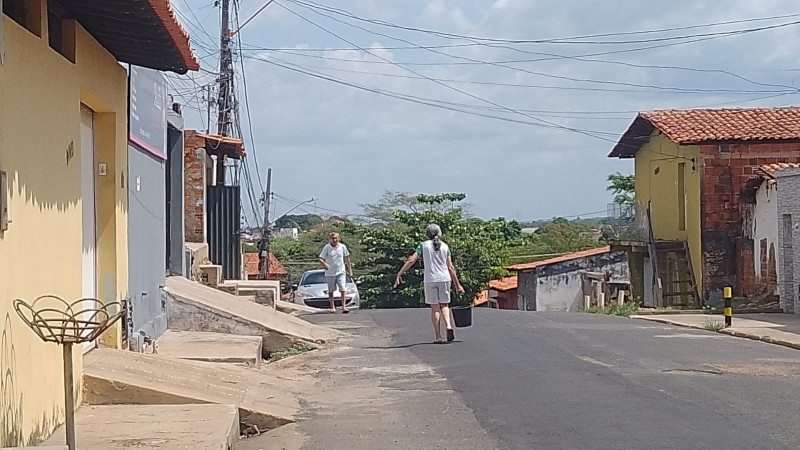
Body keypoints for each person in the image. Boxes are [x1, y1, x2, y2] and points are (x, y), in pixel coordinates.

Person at [395, 224, 464, 343]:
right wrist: (458, 285)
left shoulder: (423, 246)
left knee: (435, 307)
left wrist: (400, 273)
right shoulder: (445, 247)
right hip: (445, 279)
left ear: (427, 235)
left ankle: (438, 336)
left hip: (430, 279)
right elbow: (451, 267)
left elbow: (412, 260)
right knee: (445, 305)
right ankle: (448, 325)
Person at [319, 232, 354, 314]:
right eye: (333, 238)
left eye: (336, 238)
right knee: (331, 290)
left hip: (341, 271)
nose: (334, 240)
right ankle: (332, 306)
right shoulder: (327, 247)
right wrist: (325, 264)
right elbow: (320, 258)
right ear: (330, 239)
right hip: (330, 273)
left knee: (343, 289)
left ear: (339, 238)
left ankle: (344, 306)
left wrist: (350, 270)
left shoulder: (342, 247)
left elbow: (347, 259)